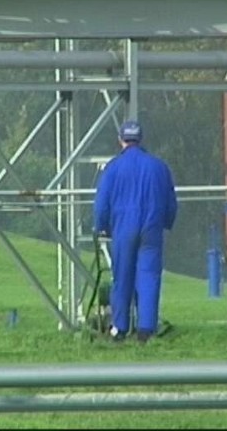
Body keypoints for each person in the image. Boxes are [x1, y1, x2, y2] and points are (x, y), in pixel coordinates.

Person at [93, 120, 177, 343]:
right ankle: (146, 329)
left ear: (121, 140)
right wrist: (166, 223)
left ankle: (120, 328)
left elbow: (102, 204)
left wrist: (101, 226)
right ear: (140, 139)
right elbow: (170, 203)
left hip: (123, 228)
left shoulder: (113, 168)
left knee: (122, 277)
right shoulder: (159, 167)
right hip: (151, 229)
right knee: (149, 277)